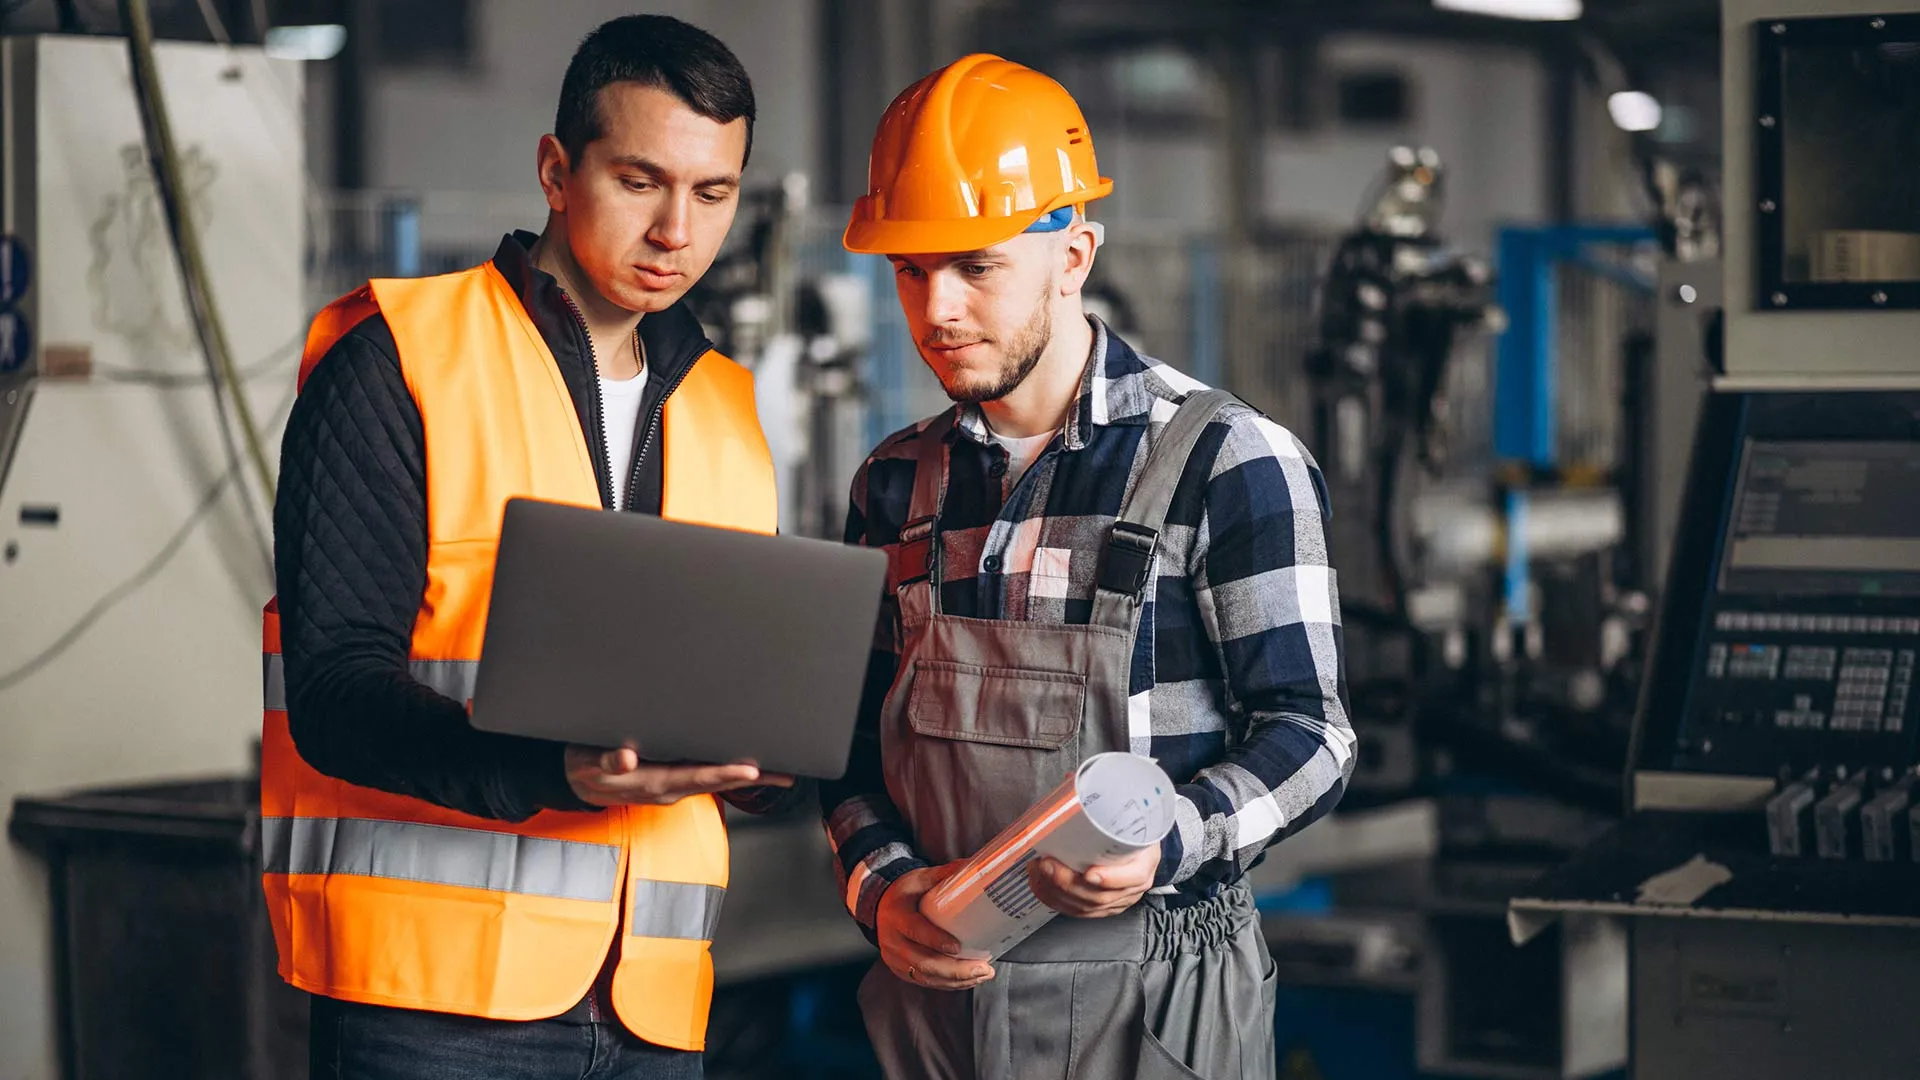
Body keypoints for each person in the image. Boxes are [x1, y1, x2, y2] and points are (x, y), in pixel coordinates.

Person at [264, 15, 793, 1079]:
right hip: (429, 1005)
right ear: (557, 170)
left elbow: (725, 684)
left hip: (650, 1001)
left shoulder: (727, 407)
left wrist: (765, 756)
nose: (676, 232)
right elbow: (334, 690)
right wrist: (553, 772)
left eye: (712, 193)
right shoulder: (398, 361)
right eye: (641, 180)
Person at [821, 53, 1355, 1079]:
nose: (936, 309)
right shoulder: (894, 485)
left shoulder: (1222, 460)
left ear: (1074, 254)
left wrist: (1175, 840)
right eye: (909, 268)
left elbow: (1311, 735)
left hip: (1153, 1006)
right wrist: (882, 892)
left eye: (976, 267)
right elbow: (849, 751)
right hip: (937, 1010)